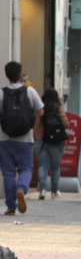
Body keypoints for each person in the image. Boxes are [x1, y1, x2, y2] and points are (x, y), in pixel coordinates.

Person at [0, 61, 44, 215]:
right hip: (26, 139)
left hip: (5, 139)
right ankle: (21, 189)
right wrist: (35, 129)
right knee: (26, 168)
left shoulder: (2, 93)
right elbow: (41, 112)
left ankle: (11, 207)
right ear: (20, 75)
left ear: (7, 76)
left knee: (8, 172)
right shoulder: (29, 91)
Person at [34, 88, 69, 200]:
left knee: (43, 166)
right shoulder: (58, 108)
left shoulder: (40, 109)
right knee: (55, 167)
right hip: (57, 142)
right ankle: (54, 191)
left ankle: (43, 190)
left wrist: (36, 135)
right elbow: (66, 124)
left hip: (41, 141)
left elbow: (36, 125)